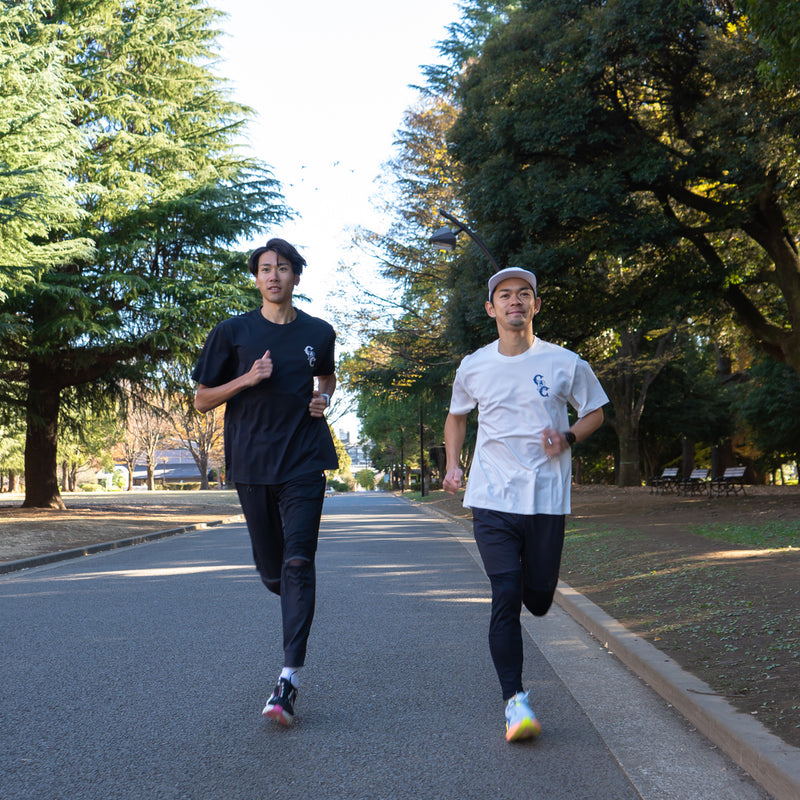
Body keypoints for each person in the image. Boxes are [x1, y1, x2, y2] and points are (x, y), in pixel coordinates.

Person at [442, 266, 608, 743]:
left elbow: (595, 410)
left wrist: (570, 435)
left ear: (536, 306)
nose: (515, 301)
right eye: (505, 295)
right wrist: (454, 463)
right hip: (491, 497)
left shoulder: (564, 362)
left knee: (536, 598)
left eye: (524, 294)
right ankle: (515, 702)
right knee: (505, 593)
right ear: (491, 308)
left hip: (546, 499)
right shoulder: (474, 364)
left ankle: (536, 598)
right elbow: (456, 418)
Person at [192, 237, 338, 727]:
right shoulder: (233, 332)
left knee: (299, 562)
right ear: (256, 278)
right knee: (274, 571)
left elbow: (327, 377)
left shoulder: (319, 330)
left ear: (297, 276)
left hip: (303, 460)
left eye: (283, 268)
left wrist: (322, 399)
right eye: (265, 269)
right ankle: (282, 583)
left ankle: (287, 680)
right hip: (253, 464)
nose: (273, 276)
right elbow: (202, 400)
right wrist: (246, 380)